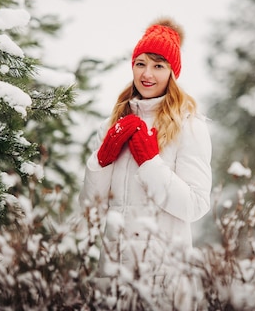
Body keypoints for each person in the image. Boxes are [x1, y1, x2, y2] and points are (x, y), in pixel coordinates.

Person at [80, 17, 212, 308]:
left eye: (158, 65)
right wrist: (103, 158)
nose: (147, 74)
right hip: (113, 277)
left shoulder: (189, 126)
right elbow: (92, 209)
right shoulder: (112, 124)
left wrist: (151, 162)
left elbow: (195, 205)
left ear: (172, 73)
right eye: (140, 63)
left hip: (164, 279)